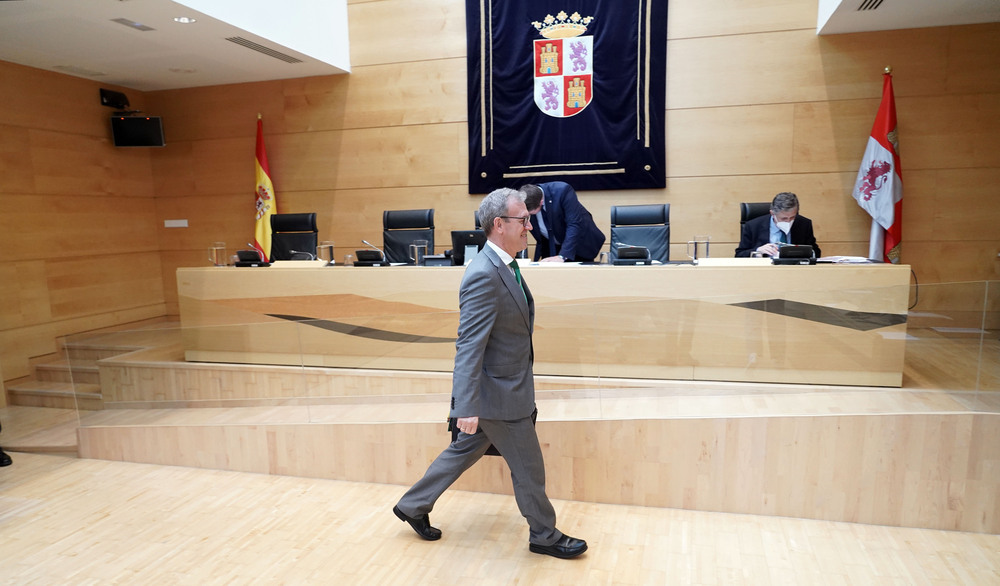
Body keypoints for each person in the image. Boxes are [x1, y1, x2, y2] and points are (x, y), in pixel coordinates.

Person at [392, 187, 587, 560]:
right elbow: (469, 345)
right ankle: (544, 534)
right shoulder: (483, 274)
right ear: (499, 225)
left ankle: (413, 504)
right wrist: (464, 405)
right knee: (529, 467)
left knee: (463, 451)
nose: (529, 226)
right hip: (500, 396)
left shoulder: (506, 265)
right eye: (523, 220)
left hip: (502, 387)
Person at [522, 182, 605, 262]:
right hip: (552, 246)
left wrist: (562, 256)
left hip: (578, 245)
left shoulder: (562, 190)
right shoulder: (527, 198)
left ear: (541, 202)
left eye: (530, 214)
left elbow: (574, 224)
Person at [735, 191, 821, 258]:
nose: (788, 221)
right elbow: (739, 255)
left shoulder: (804, 224)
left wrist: (803, 251)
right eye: (783, 218)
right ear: (772, 213)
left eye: (792, 218)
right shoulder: (753, 226)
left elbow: (816, 252)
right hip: (765, 272)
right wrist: (758, 251)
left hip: (794, 271)